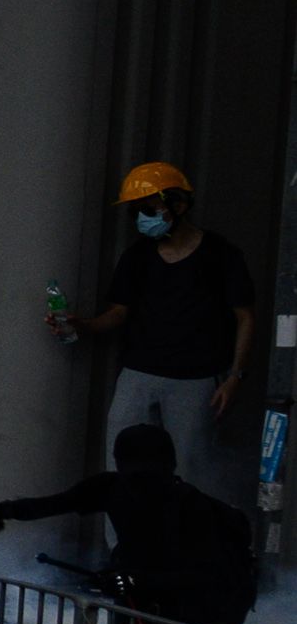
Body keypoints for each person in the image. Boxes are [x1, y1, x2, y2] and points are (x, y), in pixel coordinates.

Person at [58, 161, 256, 507]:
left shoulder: (221, 255)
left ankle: (194, 553)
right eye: (137, 211)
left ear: (178, 204)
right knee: (123, 466)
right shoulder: (138, 256)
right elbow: (118, 313)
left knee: (194, 470)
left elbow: (245, 317)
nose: (142, 218)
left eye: (149, 209)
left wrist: (234, 377)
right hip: (139, 373)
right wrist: (83, 325)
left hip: (196, 379)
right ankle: (123, 549)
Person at [0, 420, 256, 624]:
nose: (142, 489)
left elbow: (204, 572)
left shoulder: (190, 504)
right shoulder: (112, 488)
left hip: (181, 613)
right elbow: (54, 504)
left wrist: (139, 580)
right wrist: (3, 510)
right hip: (135, 606)